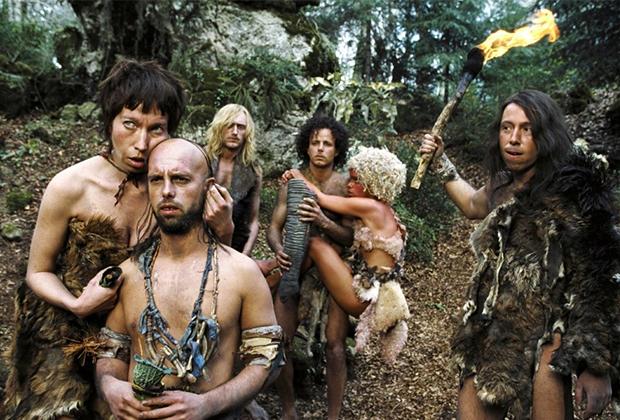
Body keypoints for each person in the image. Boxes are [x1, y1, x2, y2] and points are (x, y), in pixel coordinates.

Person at [3, 59, 232, 419]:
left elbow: (209, 267)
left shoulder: (172, 187)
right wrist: (76, 303)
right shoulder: (71, 186)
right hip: (62, 331)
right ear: (110, 121)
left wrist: (224, 227)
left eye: (156, 129)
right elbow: (38, 271)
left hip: (136, 332)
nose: (141, 143)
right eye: (130, 124)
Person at [419, 89, 620, 419]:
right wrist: (441, 162)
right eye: (506, 127)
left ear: (547, 134)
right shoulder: (503, 184)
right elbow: (472, 204)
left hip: (549, 331)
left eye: (527, 129)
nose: (514, 139)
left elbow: (599, 279)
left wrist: (595, 364)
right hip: (495, 327)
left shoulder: (573, 189)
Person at [95, 138, 282, 419]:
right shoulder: (130, 274)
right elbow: (110, 353)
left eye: (180, 179)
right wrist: (110, 386)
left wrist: (208, 404)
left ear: (208, 188)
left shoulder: (242, 273)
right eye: (156, 180)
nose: (167, 191)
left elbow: (266, 360)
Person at [287, 146, 409, 364]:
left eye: (356, 180)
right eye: (350, 179)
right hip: (369, 290)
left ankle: (284, 278)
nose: (349, 185)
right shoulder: (387, 211)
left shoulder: (371, 207)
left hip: (361, 298)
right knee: (334, 341)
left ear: (372, 182)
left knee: (316, 244)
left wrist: (297, 175)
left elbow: (320, 198)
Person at [267, 115, 354, 420]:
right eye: (315, 142)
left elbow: (350, 236)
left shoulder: (344, 186)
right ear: (306, 146)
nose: (320, 148)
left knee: (335, 346)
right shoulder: (292, 182)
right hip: (294, 264)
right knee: (280, 340)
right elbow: (273, 227)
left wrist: (322, 221)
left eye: (327, 144)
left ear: (337, 149)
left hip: (333, 267)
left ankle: (333, 415)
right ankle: (288, 409)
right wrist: (278, 249)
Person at [205, 104, 261, 255]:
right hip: (200, 245)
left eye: (241, 127)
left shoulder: (253, 171)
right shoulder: (201, 160)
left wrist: (244, 256)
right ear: (219, 127)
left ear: (247, 132)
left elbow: (253, 221)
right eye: (229, 125)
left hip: (236, 248)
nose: (235, 132)